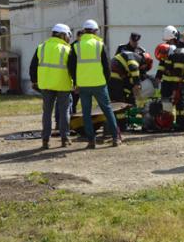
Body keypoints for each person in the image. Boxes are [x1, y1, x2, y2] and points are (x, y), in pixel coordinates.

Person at [72, 19, 120, 149]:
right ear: (95, 31)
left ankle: (91, 141)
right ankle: (115, 138)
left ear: (84, 31)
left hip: (83, 85)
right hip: (99, 84)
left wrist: (76, 83)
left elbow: (71, 67)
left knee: (86, 113)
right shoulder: (99, 45)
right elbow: (106, 66)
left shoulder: (76, 46)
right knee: (107, 110)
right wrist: (106, 81)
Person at [29, 23, 76, 149]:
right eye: (68, 35)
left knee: (47, 113)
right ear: (62, 35)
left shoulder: (42, 47)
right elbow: (72, 68)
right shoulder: (67, 49)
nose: (69, 38)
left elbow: (33, 66)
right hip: (63, 85)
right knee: (64, 111)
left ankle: (45, 140)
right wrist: (76, 83)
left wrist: (34, 81)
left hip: (46, 85)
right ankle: (65, 139)